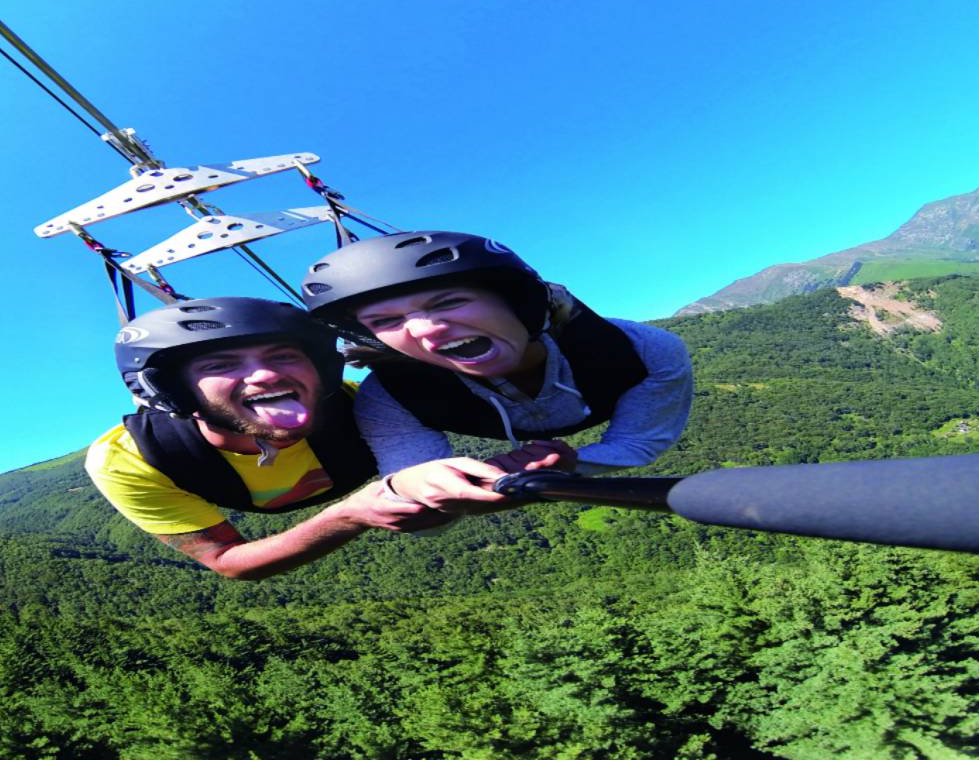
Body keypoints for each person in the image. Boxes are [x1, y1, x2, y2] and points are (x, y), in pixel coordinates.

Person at [85, 296, 536, 580]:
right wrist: (349, 516)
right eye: (220, 365)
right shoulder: (132, 460)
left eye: (283, 355)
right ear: (175, 392)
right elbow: (227, 560)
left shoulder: (365, 404)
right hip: (300, 486)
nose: (265, 374)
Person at [301, 231, 694, 480]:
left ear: (518, 303)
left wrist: (575, 465)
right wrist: (416, 488)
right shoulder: (392, 397)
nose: (424, 329)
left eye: (449, 301)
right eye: (385, 321)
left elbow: (640, 442)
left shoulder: (640, 350)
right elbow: (418, 502)